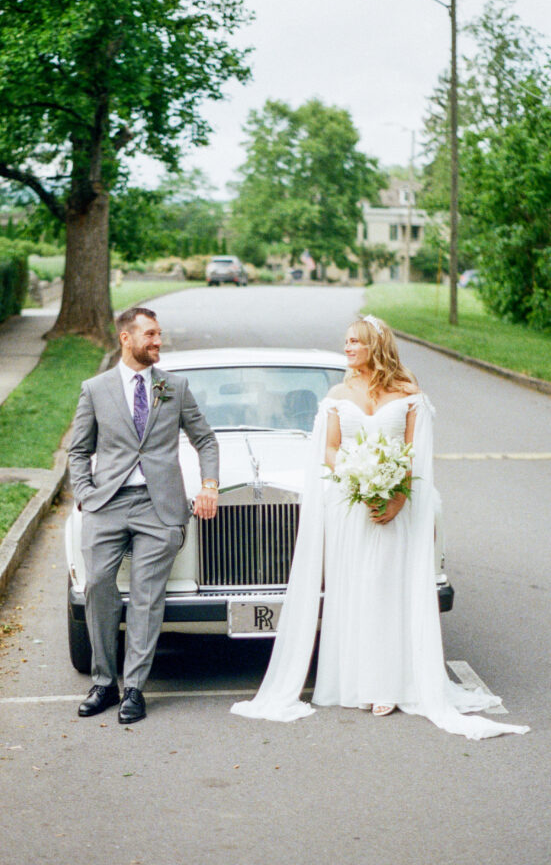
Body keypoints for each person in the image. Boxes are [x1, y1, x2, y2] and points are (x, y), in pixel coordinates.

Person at [232, 315, 529, 739]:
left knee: (390, 588)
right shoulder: (338, 393)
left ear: (376, 345)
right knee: (356, 589)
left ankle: (392, 683)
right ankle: (358, 680)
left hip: (395, 508)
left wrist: (397, 497)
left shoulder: (408, 394)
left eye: (355, 341)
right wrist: (357, 476)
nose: (347, 348)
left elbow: (413, 455)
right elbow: (331, 449)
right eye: (346, 341)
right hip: (350, 508)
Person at [69, 307, 219, 724]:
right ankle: (103, 683)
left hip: (160, 507)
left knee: (146, 596)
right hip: (107, 504)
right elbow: (79, 451)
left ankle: (134, 688)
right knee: (98, 586)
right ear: (126, 338)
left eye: (159, 334)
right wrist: (84, 493)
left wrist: (209, 485)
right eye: (150, 335)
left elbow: (205, 439)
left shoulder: (174, 386)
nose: (158, 342)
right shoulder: (95, 389)